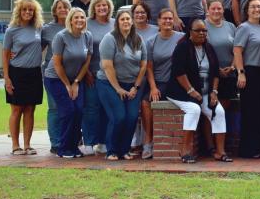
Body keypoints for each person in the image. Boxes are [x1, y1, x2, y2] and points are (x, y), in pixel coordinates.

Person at [166, 18, 232, 163]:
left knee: (219, 111)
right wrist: (190, 90)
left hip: (204, 92)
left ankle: (220, 152)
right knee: (194, 109)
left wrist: (214, 92)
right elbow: (179, 73)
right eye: (198, 30)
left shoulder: (209, 48)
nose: (202, 33)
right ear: (190, 32)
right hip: (181, 91)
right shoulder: (182, 47)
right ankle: (185, 150)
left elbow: (215, 72)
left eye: (204, 30)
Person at [97, 8, 147, 160]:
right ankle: (112, 150)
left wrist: (135, 87)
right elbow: (107, 66)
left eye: (128, 19)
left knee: (131, 117)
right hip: (109, 84)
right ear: (117, 22)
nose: (126, 21)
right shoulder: (109, 39)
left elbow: (143, 65)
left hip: (132, 85)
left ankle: (124, 150)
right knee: (118, 116)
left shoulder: (138, 39)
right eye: (122, 19)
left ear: (132, 21)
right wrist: (118, 88)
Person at [43, 8, 92, 158]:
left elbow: (86, 63)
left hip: (76, 79)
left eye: (82, 17)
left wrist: (76, 82)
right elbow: (57, 64)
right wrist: (67, 84)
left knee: (78, 111)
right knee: (68, 111)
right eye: (76, 17)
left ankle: (74, 147)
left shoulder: (87, 36)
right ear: (70, 20)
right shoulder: (61, 36)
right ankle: (63, 148)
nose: (79, 20)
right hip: (56, 78)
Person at [140, 9, 185, 159]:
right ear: (158, 21)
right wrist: (153, 87)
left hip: (176, 82)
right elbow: (149, 67)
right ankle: (148, 141)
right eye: (164, 19)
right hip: (158, 81)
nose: (167, 21)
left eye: (170, 19)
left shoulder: (182, 38)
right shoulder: (151, 41)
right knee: (146, 103)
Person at [2, 0, 44, 155]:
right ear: (19, 11)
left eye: (31, 10)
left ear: (35, 12)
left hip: (34, 73)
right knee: (16, 110)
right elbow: (5, 55)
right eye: (24, 9)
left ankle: (27, 145)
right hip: (17, 73)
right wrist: (7, 78)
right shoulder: (11, 30)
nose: (28, 12)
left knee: (30, 109)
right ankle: (15, 145)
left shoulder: (39, 27)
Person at [234, 0, 260, 158]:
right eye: (253, 7)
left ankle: (258, 149)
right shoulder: (244, 28)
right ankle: (247, 150)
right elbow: (237, 51)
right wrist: (241, 72)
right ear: (247, 10)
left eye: (259, 7)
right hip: (249, 72)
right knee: (249, 112)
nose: (256, 10)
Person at [82, 0, 115, 156]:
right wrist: (86, 72)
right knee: (91, 109)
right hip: (92, 75)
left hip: (111, 76)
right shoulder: (86, 24)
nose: (102, 8)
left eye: (105, 5)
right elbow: (80, 50)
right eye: (99, 5)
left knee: (107, 110)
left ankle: (103, 142)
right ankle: (89, 141)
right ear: (93, 8)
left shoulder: (115, 24)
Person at [41, 0, 71, 154]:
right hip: (51, 75)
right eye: (59, 7)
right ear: (54, 11)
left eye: (66, 7)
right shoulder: (47, 29)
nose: (63, 10)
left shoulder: (75, 25)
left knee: (69, 108)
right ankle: (56, 142)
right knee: (54, 108)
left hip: (71, 74)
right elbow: (36, 49)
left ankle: (69, 139)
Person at [205, 0, 237, 107]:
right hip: (209, 75)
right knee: (210, 109)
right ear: (208, 10)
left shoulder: (231, 26)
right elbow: (200, 52)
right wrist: (216, 69)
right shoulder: (202, 26)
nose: (216, 11)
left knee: (225, 108)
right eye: (213, 8)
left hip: (229, 74)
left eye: (219, 8)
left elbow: (237, 50)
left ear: (223, 10)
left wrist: (232, 67)